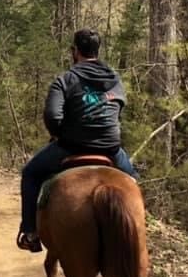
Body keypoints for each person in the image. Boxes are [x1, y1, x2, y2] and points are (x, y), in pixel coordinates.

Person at [16, 28, 139, 253]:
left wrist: (60, 134)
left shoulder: (65, 79)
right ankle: (140, 233)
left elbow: (53, 115)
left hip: (71, 145)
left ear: (75, 51)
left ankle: (31, 233)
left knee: (30, 174)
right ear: (97, 50)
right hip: (110, 148)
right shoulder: (115, 79)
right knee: (133, 182)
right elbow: (118, 109)